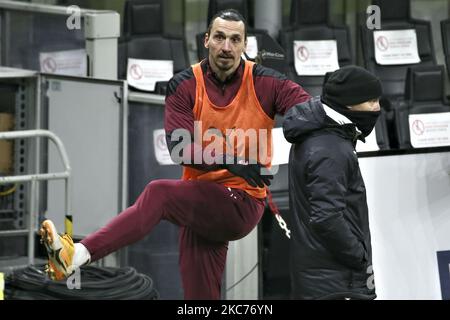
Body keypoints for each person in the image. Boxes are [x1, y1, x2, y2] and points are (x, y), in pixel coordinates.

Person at [39, 9, 310, 299]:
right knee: (199, 299)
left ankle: (78, 254)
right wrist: (232, 161)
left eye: (235, 40)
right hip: (199, 201)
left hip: (241, 201)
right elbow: (180, 149)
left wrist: (295, 144)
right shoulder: (184, 84)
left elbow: (308, 111)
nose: (226, 47)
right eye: (219, 37)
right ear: (206, 40)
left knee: (160, 193)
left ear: (245, 46)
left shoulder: (265, 82)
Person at [282, 65, 381, 300]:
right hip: (335, 282)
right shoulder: (329, 148)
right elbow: (327, 218)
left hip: (326, 277)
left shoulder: (323, 133)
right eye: (371, 101)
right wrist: (359, 256)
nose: (378, 108)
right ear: (349, 104)